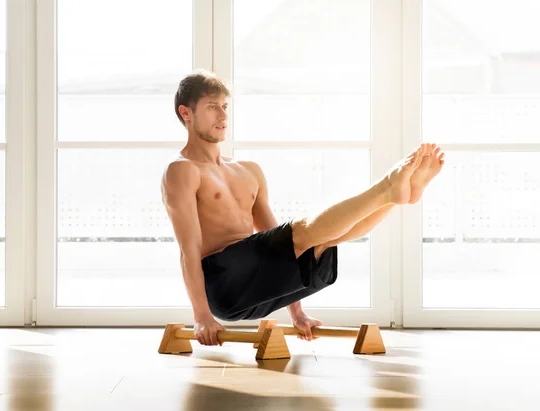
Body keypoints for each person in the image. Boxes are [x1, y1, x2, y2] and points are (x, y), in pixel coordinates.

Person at [161, 70, 445, 347]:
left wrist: (297, 314)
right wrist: (201, 317)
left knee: (321, 241)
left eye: (225, 106)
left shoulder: (248, 170)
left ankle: (394, 198)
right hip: (223, 284)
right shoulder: (182, 171)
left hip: (259, 285)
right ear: (186, 113)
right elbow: (188, 249)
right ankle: (386, 188)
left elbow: (277, 240)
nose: (223, 116)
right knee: (303, 231)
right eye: (212, 107)